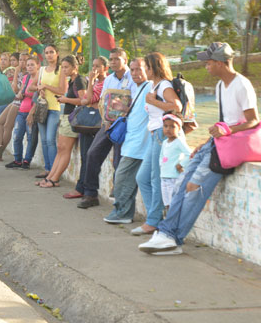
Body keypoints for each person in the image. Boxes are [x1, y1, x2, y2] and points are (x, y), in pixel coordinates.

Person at [139, 42, 260, 255]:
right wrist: (205, 143)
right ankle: (166, 233)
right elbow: (224, 120)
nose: (206, 66)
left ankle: (174, 238)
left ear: (221, 63)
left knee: (194, 189)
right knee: (181, 184)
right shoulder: (221, 86)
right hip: (216, 143)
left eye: (209, 62)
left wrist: (227, 131)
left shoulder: (242, 85)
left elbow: (253, 121)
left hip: (229, 146)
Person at [74, 48, 136, 209]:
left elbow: (133, 104)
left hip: (125, 126)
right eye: (111, 59)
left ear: (125, 60)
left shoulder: (133, 78)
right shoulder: (109, 80)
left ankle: (120, 199)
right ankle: (90, 194)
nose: (113, 62)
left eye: (117, 59)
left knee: (119, 161)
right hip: (108, 124)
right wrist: (105, 119)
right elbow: (104, 102)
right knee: (92, 154)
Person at [132, 52, 181, 236]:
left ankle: (152, 222)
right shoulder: (155, 86)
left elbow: (176, 106)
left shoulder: (164, 86)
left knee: (154, 178)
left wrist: (152, 101)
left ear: (154, 68)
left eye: (146, 67)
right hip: (155, 135)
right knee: (142, 178)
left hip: (162, 133)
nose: (144, 70)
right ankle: (155, 218)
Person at [102, 59, 152, 223]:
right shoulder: (139, 88)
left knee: (123, 177)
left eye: (139, 69)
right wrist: (124, 109)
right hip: (133, 140)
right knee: (128, 179)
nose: (135, 73)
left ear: (148, 70)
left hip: (140, 143)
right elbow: (139, 110)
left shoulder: (150, 87)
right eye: (132, 70)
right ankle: (124, 212)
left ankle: (123, 213)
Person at [36, 55, 86, 187]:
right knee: (60, 148)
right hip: (67, 117)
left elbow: (83, 101)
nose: (63, 70)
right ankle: (50, 177)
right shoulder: (72, 81)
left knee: (65, 149)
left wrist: (65, 100)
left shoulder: (80, 80)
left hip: (73, 118)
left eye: (66, 67)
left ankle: (54, 179)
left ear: (75, 67)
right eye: (62, 67)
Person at [63, 56, 107, 199]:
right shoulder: (95, 83)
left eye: (98, 67)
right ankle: (81, 186)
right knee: (84, 155)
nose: (94, 69)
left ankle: (84, 188)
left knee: (88, 156)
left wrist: (91, 82)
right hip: (88, 122)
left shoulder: (104, 83)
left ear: (105, 68)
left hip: (96, 123)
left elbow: (87, 100)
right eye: (93, 66)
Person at [33, 44, 66, 179]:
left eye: (52, 52)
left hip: (55, 108)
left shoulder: (61, 70)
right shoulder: (41, 70)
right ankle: (47, 169)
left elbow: (62, 90)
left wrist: (46, 86)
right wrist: (39, 88)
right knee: (44, 140)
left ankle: (54, 171)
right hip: (42, 108)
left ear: (57, 53)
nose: (49, 55)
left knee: (50, 139)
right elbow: (31, 86)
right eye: (47, 52)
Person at [0, 52, 29, 161]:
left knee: (8, 126)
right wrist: (17, 72)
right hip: (14, 101)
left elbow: (17, 90)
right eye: (21, 60)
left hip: (21, 103)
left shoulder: (28, 74)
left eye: (25, 60)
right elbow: (14, 89)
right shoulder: (18, 72)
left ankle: (0, 153)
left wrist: (17, 73)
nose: (22, 63)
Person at [6, 56, 39, 169]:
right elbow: (19, 92)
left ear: (38, 66)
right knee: (17, 136)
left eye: (32, 65)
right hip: (22, 110)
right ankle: (17, 159)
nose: (29, 67)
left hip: (32, 112)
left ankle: (27, 161)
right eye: (28, 65)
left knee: (31, 137)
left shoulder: (40, 79)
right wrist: (20, 94)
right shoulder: (25, 78)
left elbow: (38, 98)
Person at [159, 112, 191, 209]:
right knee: (166, 203)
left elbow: (189, 154)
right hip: (164, 176)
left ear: (179, 128)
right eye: (165, 126)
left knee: (174, 202)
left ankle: (173, 222)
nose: (168, 129)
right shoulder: (165, 142)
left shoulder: (179, 141)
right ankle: (168, 221)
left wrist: (180, 165)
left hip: (174, 177)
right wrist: (161, 165)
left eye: (172, 127)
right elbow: (161, 156)